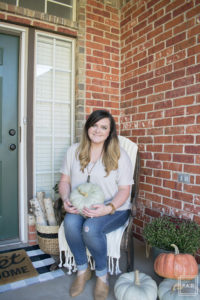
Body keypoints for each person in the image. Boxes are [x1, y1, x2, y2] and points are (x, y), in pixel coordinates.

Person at [58, 109, 133, 300]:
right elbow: (64, 180)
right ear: (87, 127)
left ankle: (102, 276)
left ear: (110, 132)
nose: (98, 130)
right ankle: (83, 271)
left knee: (90, 228)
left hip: (114, 208)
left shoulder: (119, 155)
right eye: (94, 125)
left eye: (103, 127)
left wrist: (108, 208)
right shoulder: (73, 151)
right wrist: (66, 199)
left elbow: (125, 190)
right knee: (70, 223)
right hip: (82, 205)